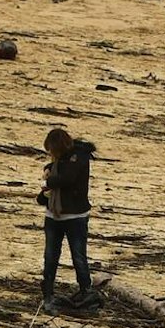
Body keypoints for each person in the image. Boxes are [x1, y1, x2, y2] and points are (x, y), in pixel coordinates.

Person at [38, 127, 101, 314]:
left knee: (78, 256)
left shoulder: (79, 158)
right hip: (53, 216)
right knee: (50, 257)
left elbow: (68, 178)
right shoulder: (58, 163)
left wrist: (48, 182)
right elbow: (56, 176)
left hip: (75, 217)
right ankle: (48, 293)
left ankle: (86, 291)